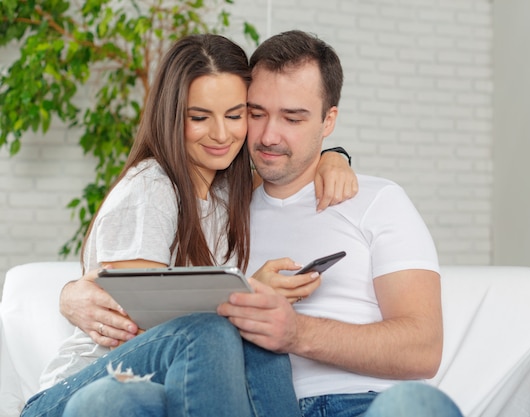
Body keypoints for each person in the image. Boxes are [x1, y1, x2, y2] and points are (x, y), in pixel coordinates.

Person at [21, 33, 355, 417]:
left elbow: (291, 166)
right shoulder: (149, 191)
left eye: (235, 115)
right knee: (226, 326)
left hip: (160, 387)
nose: (220, 134)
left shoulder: (229, 185)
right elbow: (144, 330)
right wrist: (250, 292)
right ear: (172, 114)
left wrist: (334, 156)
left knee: (265, 333)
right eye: (200, 117)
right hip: (82, 389)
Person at [215, 30, 463, 416]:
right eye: (256, 113)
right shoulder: (220, 211)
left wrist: (297, 334)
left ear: (328, 120)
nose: (267, 136)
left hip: (367, 403)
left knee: (415, 406)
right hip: (264, 405)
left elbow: (424, 348)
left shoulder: (378, 200)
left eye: (292, 118)